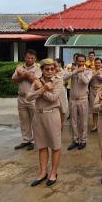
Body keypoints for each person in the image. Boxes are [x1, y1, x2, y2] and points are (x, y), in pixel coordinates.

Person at [26, 59, 64, 187]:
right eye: (46, 69)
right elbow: (29, 97)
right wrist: (42, 89)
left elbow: (53, 98)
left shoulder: (58, 80)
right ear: (42, 70)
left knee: (55, 145)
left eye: (52, 69)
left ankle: (53, 172)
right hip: (39, 115)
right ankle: (43, 172)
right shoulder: (37, 80)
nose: (49, 71)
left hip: (52, 114)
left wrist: (40, 90)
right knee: (41, 146)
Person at [12, 50, 42, 151]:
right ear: (25, 58)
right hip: (21, 97)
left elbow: (37, 81)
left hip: (33, 98)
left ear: (35, 58)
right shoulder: (19, 67)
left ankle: (34, 141)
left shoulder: (38, 68)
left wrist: (25, 75)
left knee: (35, 120)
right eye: (28, 58)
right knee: (24, 120)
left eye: (32, 58)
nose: (30, 60)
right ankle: (26, 140)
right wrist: (23, 75)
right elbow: (14, 80)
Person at [64, 54, 92, 151]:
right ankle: (75, 140)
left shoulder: (89, 71)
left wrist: (80, 72)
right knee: (74, 121)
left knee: (83, 122)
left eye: (82, 61)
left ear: (85, 61)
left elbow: (86, 82)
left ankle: (83, 140)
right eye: (79, 61)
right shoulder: (71, 70)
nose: (80, 63)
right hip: (73, 99)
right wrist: (74, 71)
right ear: (76, 61)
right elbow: (64, 77)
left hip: (83, 99)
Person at [89, 58, 102, 132]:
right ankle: (95, 124)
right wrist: (94, 74)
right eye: (96, 63)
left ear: (101, 64)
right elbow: (88, 80)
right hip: (93, 90)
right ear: (94, 63)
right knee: (94, 109)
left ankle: (101, 124)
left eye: (99, 63)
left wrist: (97, 75)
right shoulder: (91, 71)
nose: (97, 64)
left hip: (101, 90)